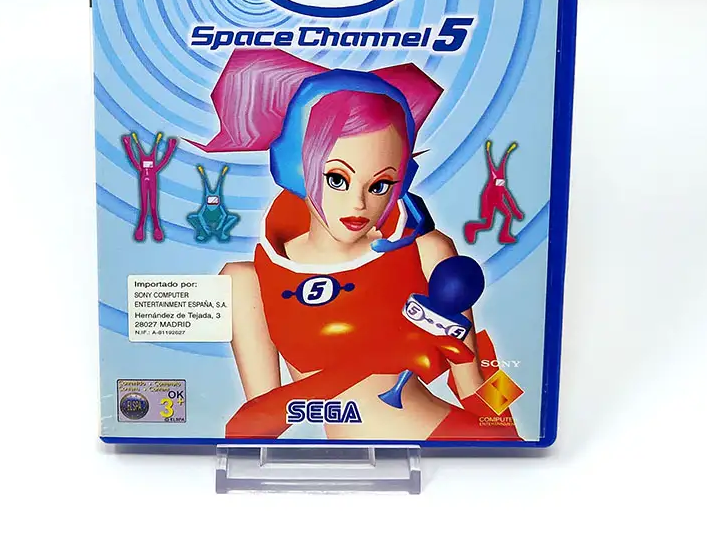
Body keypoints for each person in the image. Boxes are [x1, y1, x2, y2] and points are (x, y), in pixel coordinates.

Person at [195, 50, 522, 441]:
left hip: (454, 442)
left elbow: (479, 386)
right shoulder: (248, 278)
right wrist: (375, 358)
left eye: (380, 184)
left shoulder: (427, 251)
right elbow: (251, 426)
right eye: (336, 179)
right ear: (296, 168)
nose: (358, 204)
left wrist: (511, 434)